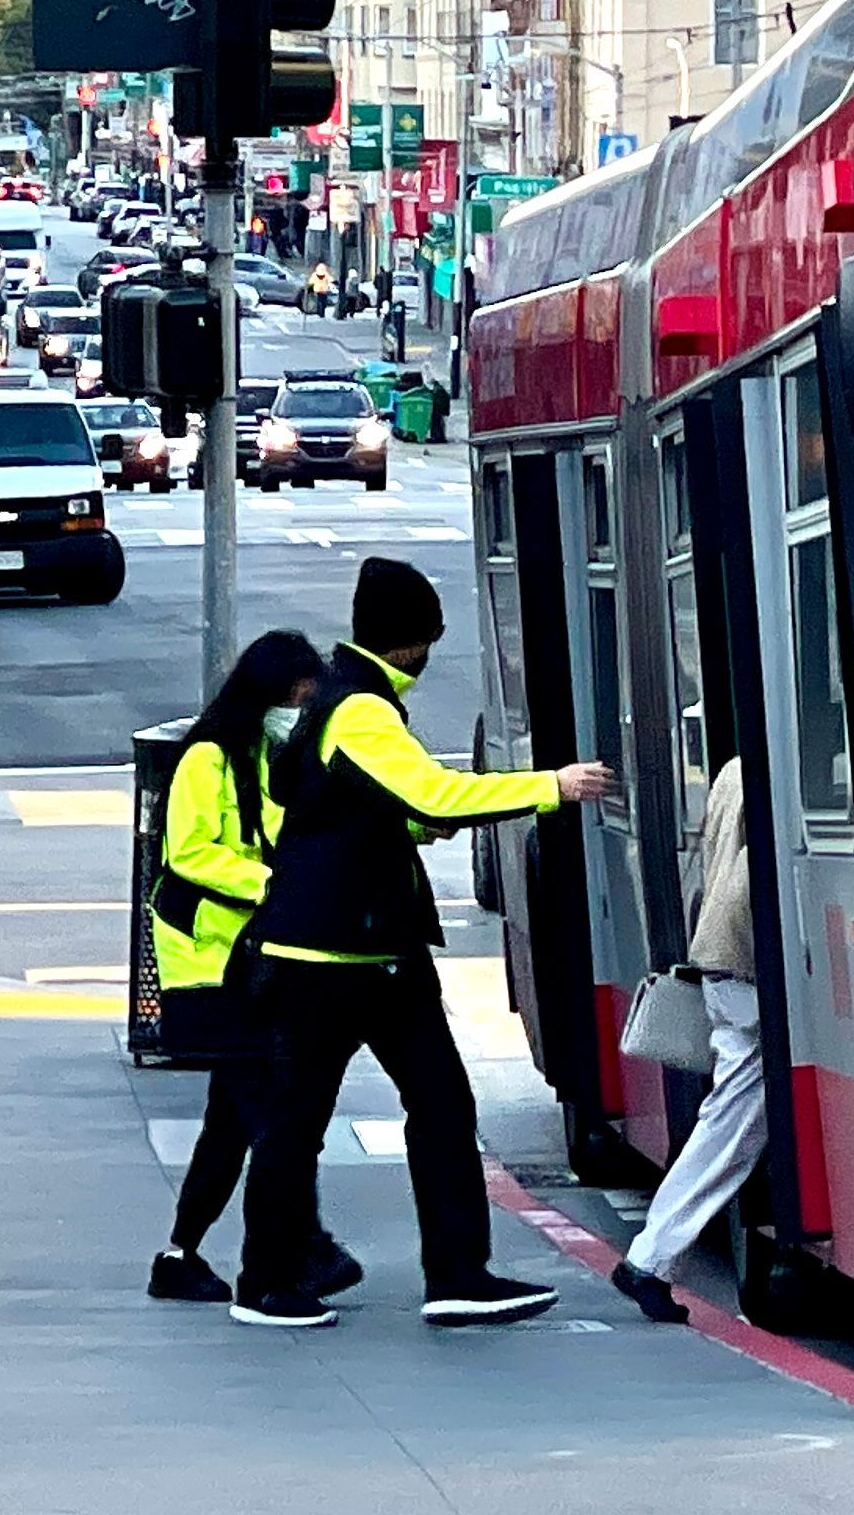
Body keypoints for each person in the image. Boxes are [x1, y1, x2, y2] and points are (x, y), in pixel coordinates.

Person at [229, 558, 611, 1330]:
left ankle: (455, 1276)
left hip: (371, 952)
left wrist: (410, 826)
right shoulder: (363, 710)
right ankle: (270, 1282)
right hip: (332, 959)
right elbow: (433, 790)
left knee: (422, 1107)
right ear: (411, 643)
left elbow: (357, 807)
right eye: (430, 638)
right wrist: (552, 786)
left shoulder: (344, 701)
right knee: (323, 1117)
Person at [145, 632, 361, 1305]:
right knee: (273, 1119)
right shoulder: (206, 758)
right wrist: (269, 881)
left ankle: (180, 1254)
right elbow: (188, 852)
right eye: (299, 696)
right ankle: (308, 1248)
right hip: (209, 967)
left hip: (248, 965)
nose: (303, 708)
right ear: (269, 691)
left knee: (234, 1123)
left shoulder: (260, 756)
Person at [610, 756, 761, 1325]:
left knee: (731, 1122)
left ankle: (652, 1258)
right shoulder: (778, 767)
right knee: (731, 1129)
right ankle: (650, 1259)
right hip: (744, 968)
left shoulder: (732, 768)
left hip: (720, 958)